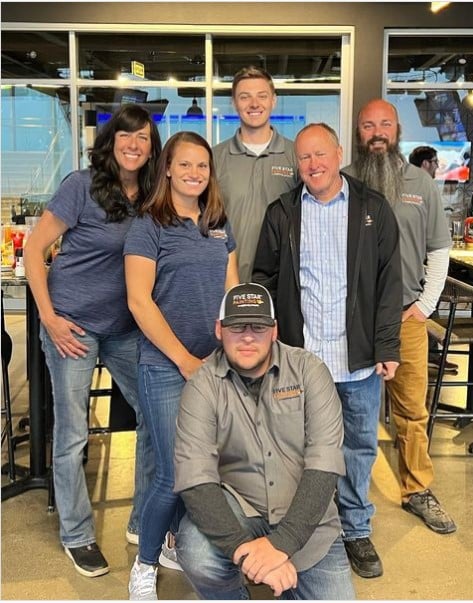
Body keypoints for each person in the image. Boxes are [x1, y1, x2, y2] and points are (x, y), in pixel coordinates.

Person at [253, 123, 403, 579]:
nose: (313, 165)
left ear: (338, 153)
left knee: (357, 448)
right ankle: (308, 527)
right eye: (304, 158)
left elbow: (389, 284)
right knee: (299, 450)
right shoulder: (282, 212)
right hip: (301, 361)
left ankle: (355, 529)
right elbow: (263, 278)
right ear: (296, 165)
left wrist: (387, 345)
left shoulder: (372, 209)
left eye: (320, 154)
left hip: (356, 362)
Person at [23, 104, 161, 577]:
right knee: (72, 432)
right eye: (126, 136)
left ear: (151, 146)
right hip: (72, 325)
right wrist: (49, 318)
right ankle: (77, 534)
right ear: (111, 141)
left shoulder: (150, 194)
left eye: (143, 137)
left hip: (123, 328)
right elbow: (34, 250)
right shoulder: (80, 186)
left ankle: (143, 522)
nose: (134, 144)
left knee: (153, 415)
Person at [173, 282, 355, 600]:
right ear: (219, 329)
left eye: (258, 327)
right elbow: (195, 479)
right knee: (197, 551)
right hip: (240, 512)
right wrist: (248, 553)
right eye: (235, 326)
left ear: (274, 330)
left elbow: (324, 467)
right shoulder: (201, 386)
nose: (246, 336)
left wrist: (281, 545)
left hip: (308, 523)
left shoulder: (310, 372)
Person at [124, 131, 239, 600]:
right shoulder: (147, 226)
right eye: (185, 164)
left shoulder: (217, 222)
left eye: (203, 166)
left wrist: (236, 351)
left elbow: (233, 292)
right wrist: (184, 359)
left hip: (214, 367)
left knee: (206, 469)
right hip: (166, 366)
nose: (195, 173)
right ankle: (145, 564)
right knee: (174, 473)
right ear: (168, 168)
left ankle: (171, 542)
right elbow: (138, 301)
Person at [342, 98, 456, 535]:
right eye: (368, 124)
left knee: (411, 412)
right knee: (350, 415)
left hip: (406, 319)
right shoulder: (344, 181)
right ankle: (346, 496)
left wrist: (425, 306)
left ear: (397, 130)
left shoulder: (420, 184)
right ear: (358, 130)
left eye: (384, 124)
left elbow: (439, 249)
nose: (376, 132)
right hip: (353, 321)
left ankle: (417, 488)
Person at [213, 65, 299, 282]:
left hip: (282, 285)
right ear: (234, 103)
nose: (254, 104)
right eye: (244, 97)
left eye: (262, 96)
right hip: (227, 281)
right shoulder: (214, 158)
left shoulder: (296, 155)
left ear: (273, 100)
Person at [409, 145, 459, 373]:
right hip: (414, 275)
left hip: (420, 270)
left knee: (431, 298)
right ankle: (432, 354)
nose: (438, 167)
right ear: (426, 163)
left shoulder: (420, 187)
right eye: (436, 162)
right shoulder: (416, 186)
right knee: (429, 297)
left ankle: (432, 354)